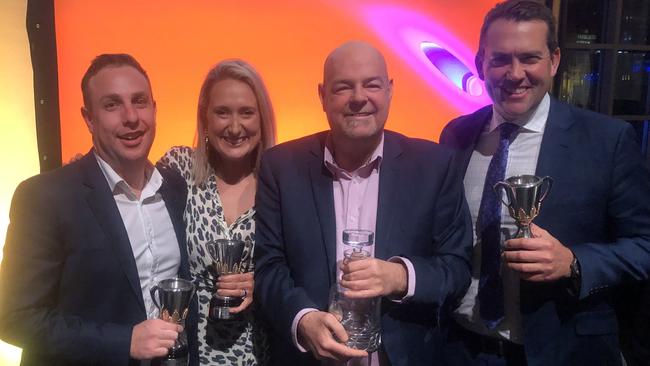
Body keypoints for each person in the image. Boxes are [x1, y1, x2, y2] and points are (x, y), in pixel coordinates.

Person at [439, 1, 650, 365]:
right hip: (461, 349)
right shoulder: (456, 135)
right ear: (480, 64)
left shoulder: (607, 140)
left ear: (553, 61)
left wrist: (574, 262)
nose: (515, 73)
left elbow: (645, 246)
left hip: (563, 352)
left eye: (529, 58)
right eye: (500, 59)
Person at [254, 40, 473, 366]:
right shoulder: (281, 166)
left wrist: (399, 277)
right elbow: (268, 266)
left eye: (371, 84)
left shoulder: (435, 166)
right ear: (322, 96)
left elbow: (457, 268)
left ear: (389, 91)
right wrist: (304, 319)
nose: (359, 98)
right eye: (343, 87)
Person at [0, 53, 197, 365]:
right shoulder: (44, 197)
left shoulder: (173, 187)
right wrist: (125, 341)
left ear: (154, 109)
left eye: (140, 101)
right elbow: (15, 317)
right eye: (112, 105)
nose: (131, 117)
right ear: (89, 118)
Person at [159, 59, 276, 365]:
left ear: (262, 119)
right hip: (188, 353)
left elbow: (301, 270)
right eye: (222, 112)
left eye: (247, 113)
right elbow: (132, 193)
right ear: (205, 118)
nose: (235, 127)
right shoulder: (181, 167)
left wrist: (261, 283)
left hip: (260, 354)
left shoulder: (281, 181)